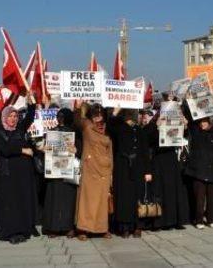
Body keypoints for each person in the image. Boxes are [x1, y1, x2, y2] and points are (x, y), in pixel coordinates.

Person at [0, 101, 38, 244]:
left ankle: (24, 228)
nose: (13, 119)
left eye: (15, 116)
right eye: (10, 116)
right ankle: (10, 231)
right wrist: (23, 150)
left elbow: (29, 117)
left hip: (23, 172)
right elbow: (5, 149)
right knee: (10, 202)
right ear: (5, 117)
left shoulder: (20, 128)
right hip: (7, 173)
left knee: (22, 200)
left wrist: (32, 104)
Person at [109, 108, 153, 238]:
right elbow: (110, 126)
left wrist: (148, 171)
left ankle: (137, 226)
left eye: (132, 113)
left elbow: (145, 151)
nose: (131, 116)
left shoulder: (139, 130)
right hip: (122, 166)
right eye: (128, 113)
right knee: (123, 197)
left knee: (137, 196)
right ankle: (124, 228)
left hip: (137, 167)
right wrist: (115, 112)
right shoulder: (119, 127)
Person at [73, 102, 113, 241]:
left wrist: (111, 171)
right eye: (96, 114)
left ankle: (102, 229)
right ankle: (83, 229)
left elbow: (110, 152)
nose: (98, 117)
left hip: (104, 171)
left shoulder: (107, 129)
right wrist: (78, 107)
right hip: (90, 169)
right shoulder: (87, 126)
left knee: (102, 202)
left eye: (101, 114)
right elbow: (77, 120)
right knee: (87, 200)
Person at [148, 106, 190, 230]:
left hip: (171, 159)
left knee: (174, 191)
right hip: (159, 160)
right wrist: (156, 125)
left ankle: (175, 220)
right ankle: (160, 222)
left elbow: (184, 137)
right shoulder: (154, 124)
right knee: (160, 191)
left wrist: (185, 125)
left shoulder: (175, 122)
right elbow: (149, 140)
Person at [42, 108, 81, 238]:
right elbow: (44, 148)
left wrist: (76, 149)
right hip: (54, 171)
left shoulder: (74, 132)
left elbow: (81, 150)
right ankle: (53, 227)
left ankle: (68, 226)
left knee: (68, 200)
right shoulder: (51, 131)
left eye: (63, 117)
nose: (61, 119)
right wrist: (44, 148)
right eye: (59, 116)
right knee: (54, 199)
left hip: (68, 170)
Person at [184, 117, 213, 229]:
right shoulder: (196, 133)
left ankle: (211, 219)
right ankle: (199, 220)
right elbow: (191, 125)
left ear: (209, 123)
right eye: (201, 122)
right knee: (199, 198)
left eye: (205, 122)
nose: (202, 124)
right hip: (199, 170)